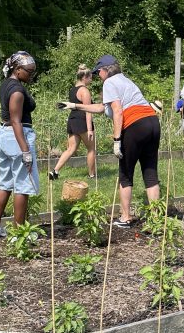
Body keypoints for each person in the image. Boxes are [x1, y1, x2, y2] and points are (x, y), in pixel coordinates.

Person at [57, 54, 160, 228]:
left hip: (134, 125)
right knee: (150, 172)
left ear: (105, 70)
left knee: (126, 173)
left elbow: (118, 111)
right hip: (152, 122)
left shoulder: (110, 83)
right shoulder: (126, 81)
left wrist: (117, 139)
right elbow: (103, 108)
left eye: (98, 73)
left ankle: (125, 217)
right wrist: (75, 106)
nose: (98, 76)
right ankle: (156, 220)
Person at [0, 51, 39, 238]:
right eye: (29, 71)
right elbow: (16, 120)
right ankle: (20, 234)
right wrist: (25, 150)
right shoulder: (17, 91)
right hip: (17, 136)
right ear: (17, 69)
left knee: (5, 183)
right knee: (23, 185)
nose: (31, 74)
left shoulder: (7, 84)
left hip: (3, 135)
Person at [50, 64, 96, 180]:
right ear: (85, 77)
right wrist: (90, 129)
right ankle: (91, 175)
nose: (91, 79)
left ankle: (55, 172)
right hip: (82, 121)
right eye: (90, 77)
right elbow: (88, 110)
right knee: (91, 148)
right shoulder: (84, 91)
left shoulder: (73, 90)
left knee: (71, 149)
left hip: (72, 120)